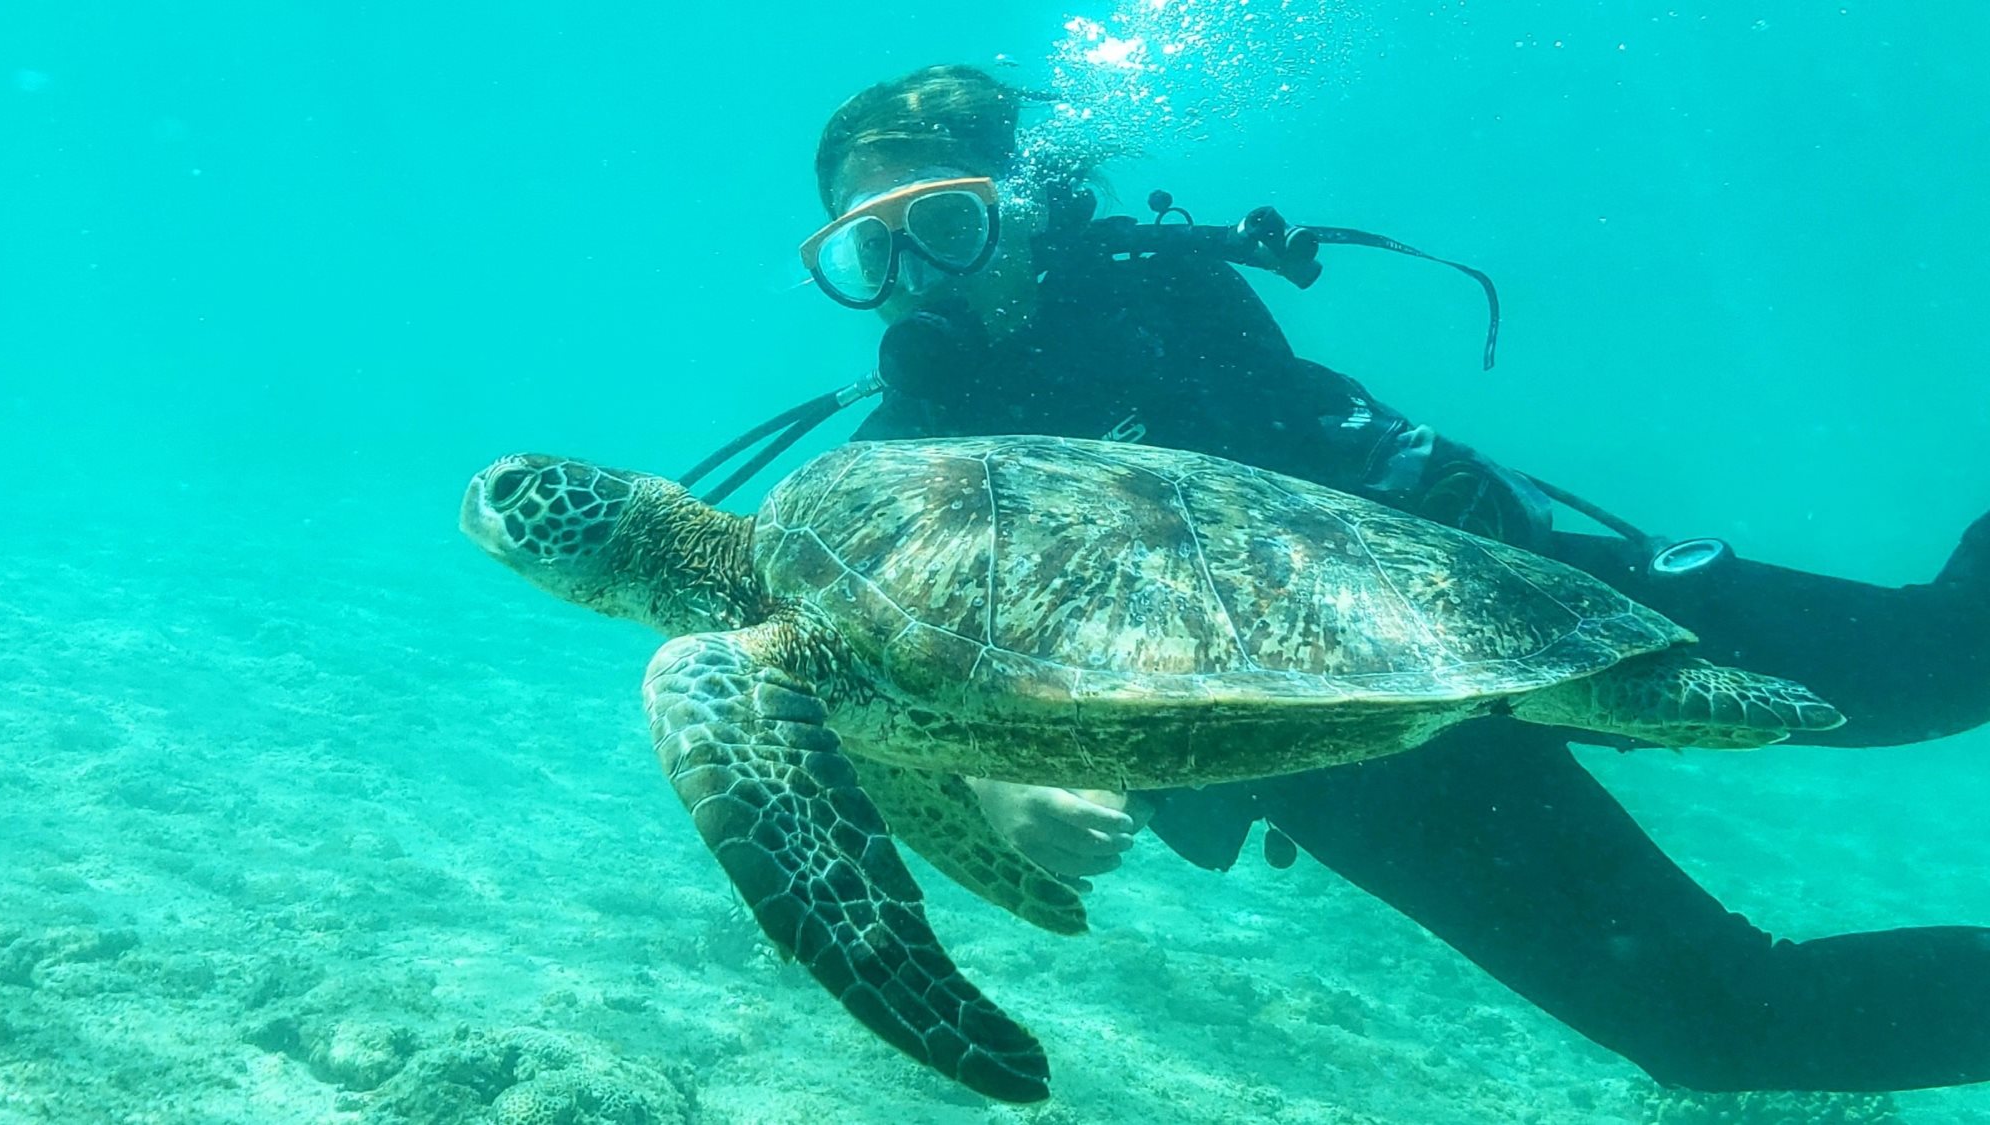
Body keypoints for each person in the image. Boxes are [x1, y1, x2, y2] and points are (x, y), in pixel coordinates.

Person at [778, 63, 1990, 1093]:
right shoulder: (897, 465)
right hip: (1348, 751)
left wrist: (1059, 748)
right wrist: (997, 779)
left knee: (1946, 668)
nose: (914, 279)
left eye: (945, 226)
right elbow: (888, 666)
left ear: (1030, 204)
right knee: (1712, 1025)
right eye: (868, 252)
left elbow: (1256, 514)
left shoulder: (1159, 298)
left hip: (1507, 592)